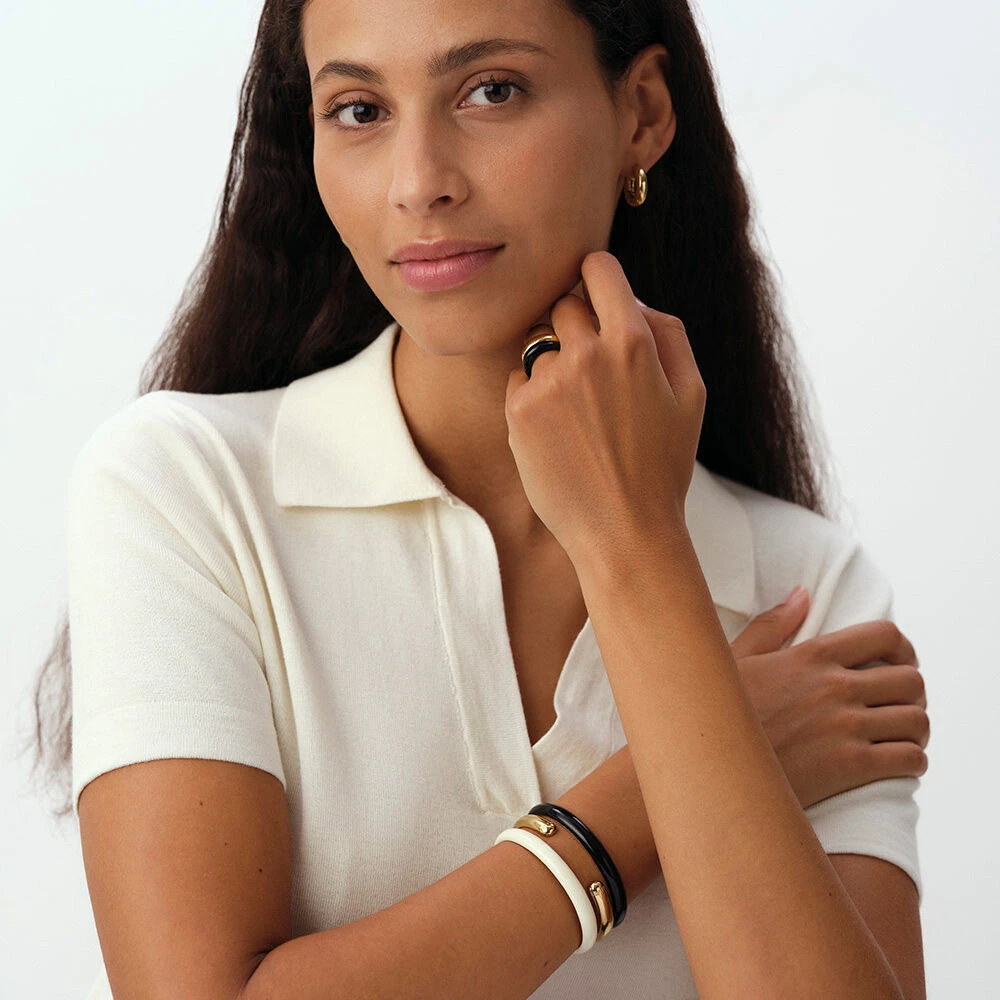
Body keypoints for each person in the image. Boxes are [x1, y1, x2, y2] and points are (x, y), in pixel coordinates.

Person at [26, 1, 929, 997]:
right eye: (359, 110)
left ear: (642, 111)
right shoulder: (185, 492)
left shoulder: (805, 589)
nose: (419, 183)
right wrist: (672, 780)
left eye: (491, 91)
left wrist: (637, 549)